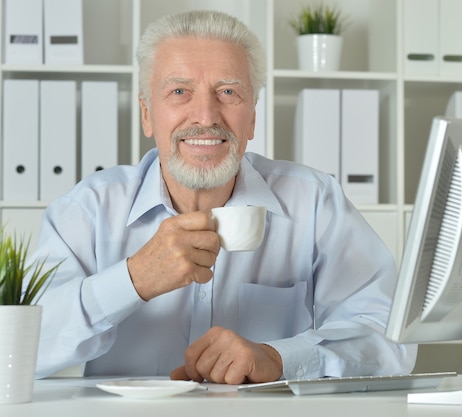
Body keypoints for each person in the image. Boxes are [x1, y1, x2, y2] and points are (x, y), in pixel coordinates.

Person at [28, 9, 417, 384]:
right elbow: (17, 347)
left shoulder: (313, 202)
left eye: (228, 92)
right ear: (147, 114)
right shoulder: (89, 210)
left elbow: (391, 335)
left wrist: (282, 358)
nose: (206, 116)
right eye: (180, 91)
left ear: (251, 117)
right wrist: (132, 280)